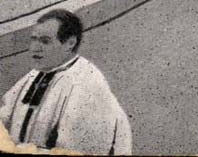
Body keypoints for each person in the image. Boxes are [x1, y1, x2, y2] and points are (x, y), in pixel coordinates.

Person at [0, 9, 132, 155]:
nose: (34, 48)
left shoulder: (86, 83)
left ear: (70, 43)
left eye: (45, 41)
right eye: (33, 39)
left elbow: (78, 151)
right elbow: (4, 116)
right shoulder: (38, 72)